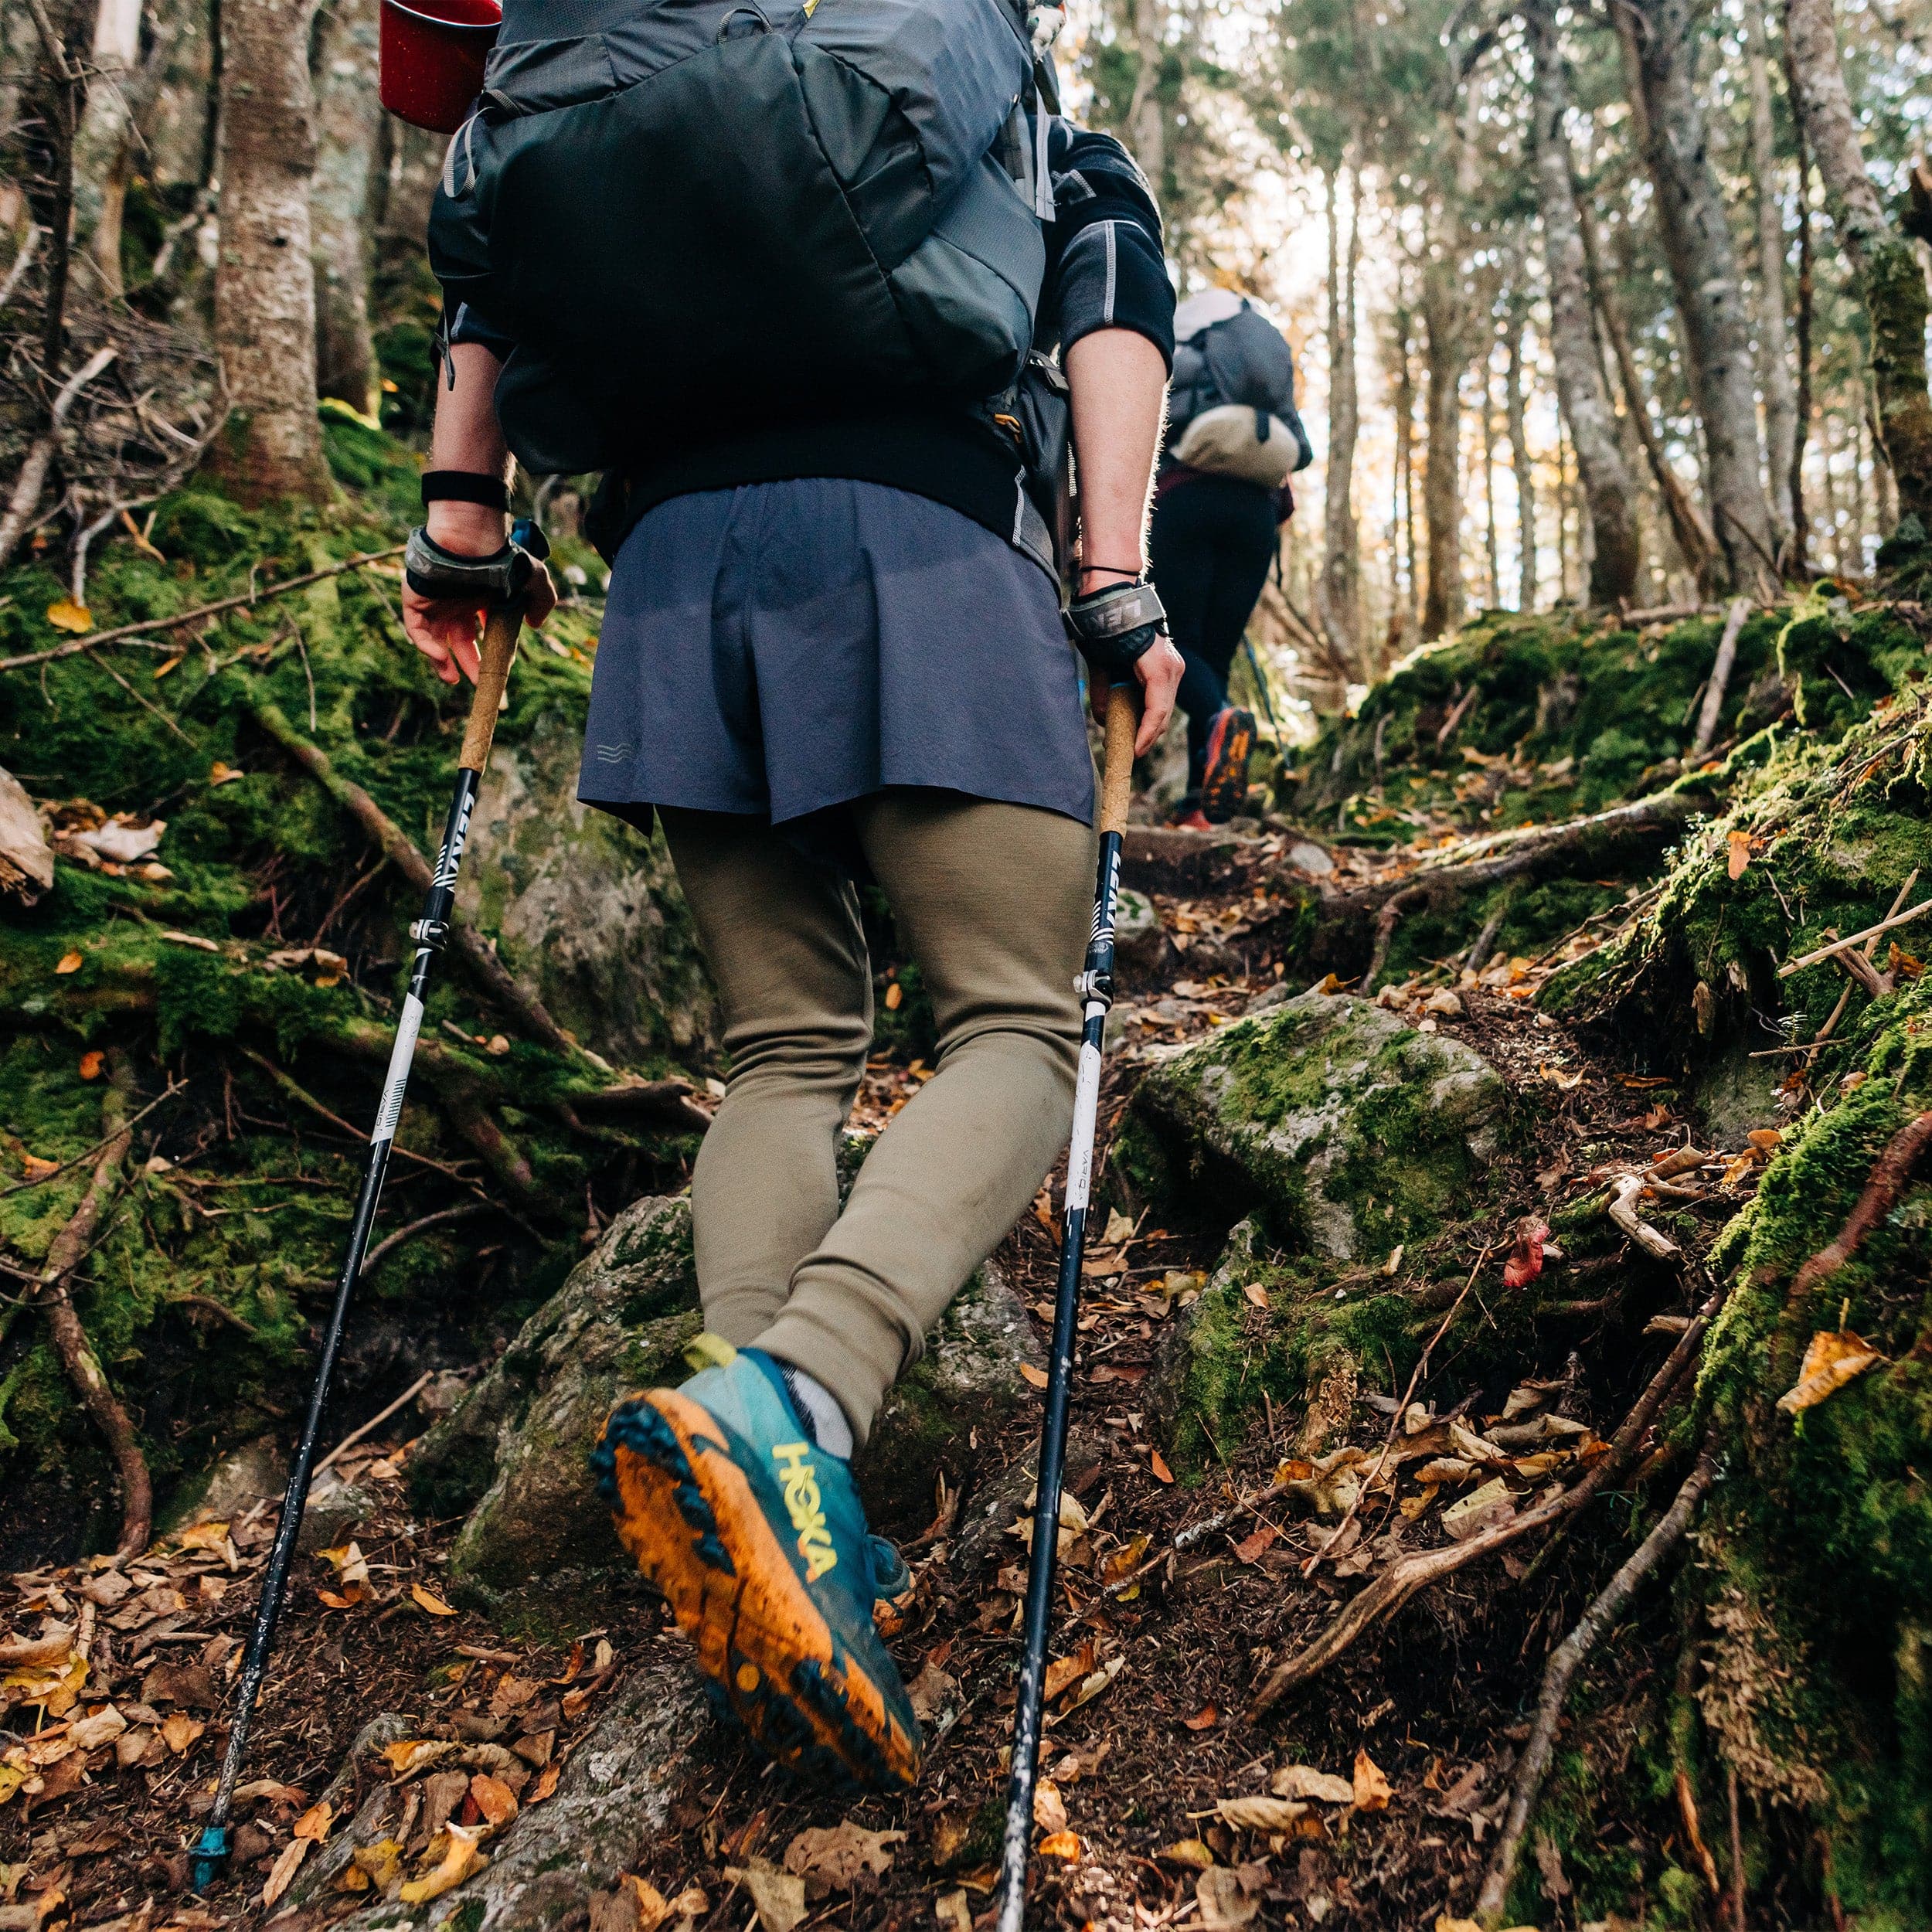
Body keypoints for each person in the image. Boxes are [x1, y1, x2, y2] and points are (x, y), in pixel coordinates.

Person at [400, 114, 1182, 1793]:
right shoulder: (999, 101)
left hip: (674, 565)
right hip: (919, 532)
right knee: (1018, 1024)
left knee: (783, 1046)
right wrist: (1115, 580)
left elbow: (482, 286)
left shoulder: (594, 96)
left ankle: (771, 1490)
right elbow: (1107, 304)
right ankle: (805, 1398)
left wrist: (461, 531)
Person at [1148, 289, 1308, 828]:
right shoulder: (1261, 358)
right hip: (1255, 517)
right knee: (1212, 658)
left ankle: (1219, 718)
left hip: (1184, 499)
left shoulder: (1184, 341)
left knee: (1181, 645)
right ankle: (1198, 806)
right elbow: (1298, 457)